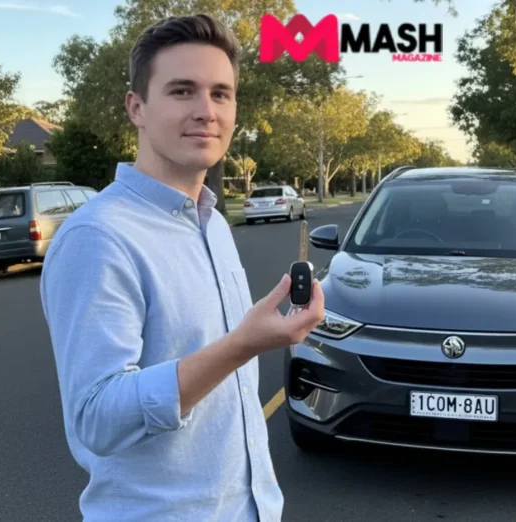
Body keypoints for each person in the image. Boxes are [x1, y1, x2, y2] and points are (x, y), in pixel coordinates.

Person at [39, 14, 324, 522]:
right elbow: (97, 418)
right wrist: (241, 346)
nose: (206, 111)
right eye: (181, 91)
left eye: (220, 93)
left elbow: (226, 401)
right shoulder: (98, 237)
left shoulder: (210, 220)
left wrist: (255, 479)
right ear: (137, 108)